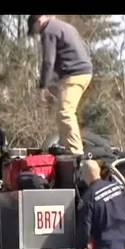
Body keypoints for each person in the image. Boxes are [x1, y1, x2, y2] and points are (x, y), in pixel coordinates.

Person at [28, 15, 93, 156]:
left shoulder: (48, 30)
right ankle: (71, 147)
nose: (37, 33)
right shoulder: (65, 27)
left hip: (74, 74)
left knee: (65, 112)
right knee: (63, 112)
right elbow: (84, 48)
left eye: (35, 30)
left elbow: (48, 61)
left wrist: (42, 86)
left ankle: (76, 153)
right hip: (84, 72)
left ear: (38, 21)